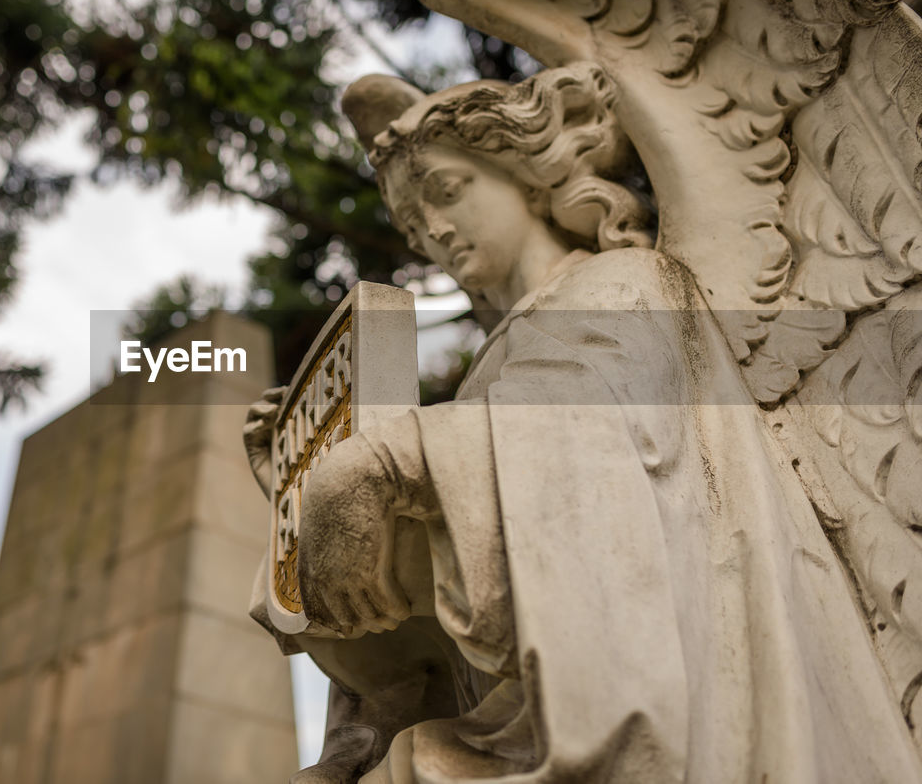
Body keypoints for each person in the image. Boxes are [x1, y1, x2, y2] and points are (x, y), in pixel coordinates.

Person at [245, 63, 922, 783]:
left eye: (447, 191)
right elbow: (472, 611)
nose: (436, 230)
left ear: (530, 176)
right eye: (414, 224)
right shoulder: (496, 366)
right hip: (531, 712)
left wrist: (383, 467)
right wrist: (366, 727)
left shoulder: (623, 285)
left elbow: (575, 449)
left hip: (676, 699)